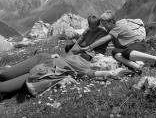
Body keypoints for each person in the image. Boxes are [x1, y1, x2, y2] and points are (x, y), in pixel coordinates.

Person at [0, 44, 132, 97]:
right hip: (43, 59)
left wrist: (111, 73)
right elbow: (93, 73)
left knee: (4, 87)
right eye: (87, 52)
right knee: (4, 74)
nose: (87, 54)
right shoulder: (74, 56)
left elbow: (93, 73)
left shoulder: (85, 65)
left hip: (45, 70)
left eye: (90, 54)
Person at [81, 10, 156, 74]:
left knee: (125, 53)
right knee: (114, 52)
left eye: (105, 24)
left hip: (137, 45)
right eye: (102, 24)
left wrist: (90, 47)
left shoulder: (118, 27)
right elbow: (103, 41)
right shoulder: (111, 29)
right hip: (128, 48)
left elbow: (106, 39)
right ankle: (138, 68)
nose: (104, 26)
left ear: (111, 22)